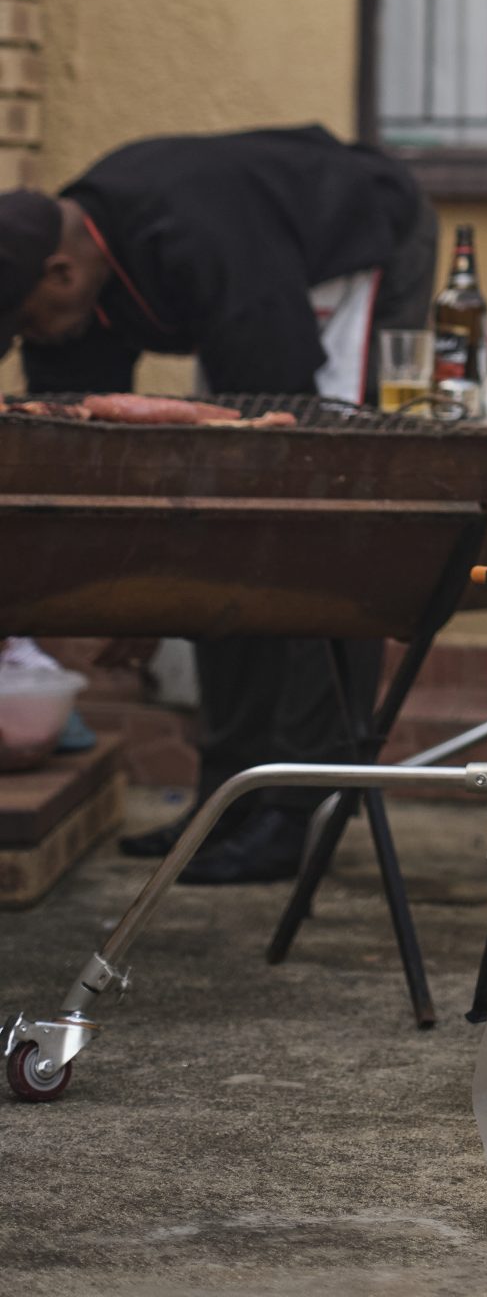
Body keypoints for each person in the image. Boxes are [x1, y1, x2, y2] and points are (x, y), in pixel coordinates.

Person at [0, 125, 439, 882]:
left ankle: (290, 809)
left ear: (61, 275)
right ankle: (227, 799)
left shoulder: (196, 235)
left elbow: (279, 438)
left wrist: (175, 568)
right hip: (257, 300)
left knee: (322, 527)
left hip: (361, 243)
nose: (30, 338)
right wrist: (137, 589)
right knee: (223, 528)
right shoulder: (73, 284)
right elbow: (93, 457)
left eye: (24, 322)